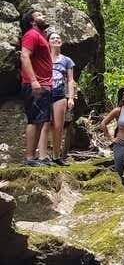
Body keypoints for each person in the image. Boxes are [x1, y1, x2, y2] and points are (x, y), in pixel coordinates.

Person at [19, 9, 53, 167]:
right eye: (39, 15)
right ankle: (29, 158)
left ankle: (35, 158)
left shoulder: (40, 36)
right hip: (35, 84)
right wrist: (33, 81)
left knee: (41, 120)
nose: (43, 16)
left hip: (44, 84)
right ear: (32, 22)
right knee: (34, 120)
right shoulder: (31, 35)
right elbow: (24, 56)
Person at [37, 32, 75, 166]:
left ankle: (56, 156)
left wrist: (71, 97)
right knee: (45, 125)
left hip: (60, 95)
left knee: (58, 126)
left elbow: (70, 80)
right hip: (45, 95)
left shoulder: (67, 60)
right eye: (53, 38)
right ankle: (42, 157)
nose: (56, 39)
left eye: (58, 38)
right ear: (48, 42)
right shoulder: (43, 58)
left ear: (61, 42)